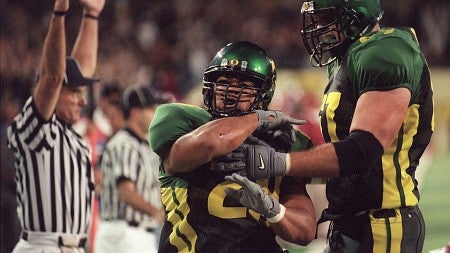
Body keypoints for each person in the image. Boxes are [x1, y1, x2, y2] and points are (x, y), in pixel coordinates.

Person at [236, 1, 434, 252]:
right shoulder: (347, 59)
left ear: (355, 16)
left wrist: (277, 161)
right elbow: (345, 165)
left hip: (381, 223)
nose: (318, 28)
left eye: (325, 18)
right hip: (352, 222)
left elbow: (362, 151)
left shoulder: (384, 52)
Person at [148, 41, 317, 252]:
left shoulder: (283, 141)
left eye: (244, 86)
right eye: (224, 81)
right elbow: (211, 142)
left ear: (263, 93)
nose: (230, 91)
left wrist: (273, 210)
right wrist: (257, 118)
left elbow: (305, 231)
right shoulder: (183, 120)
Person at [6, 0, 105, 252]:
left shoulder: (68, 132)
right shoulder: (35, 128)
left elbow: (80, 69)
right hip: (43, 246)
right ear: (52, 92)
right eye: (73, 94)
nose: (83, 101)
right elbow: (52, 77)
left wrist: (91, 16)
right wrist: (59, 13)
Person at [94, 85, 165, 253]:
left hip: (138, 235)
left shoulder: (143, 145)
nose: (155, 113)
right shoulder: (124, 144)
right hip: (124, 234)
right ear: (135, 113)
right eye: (150, 109)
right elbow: (126, 192)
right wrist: (157, 212)